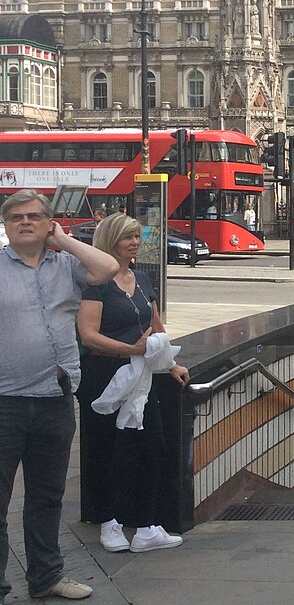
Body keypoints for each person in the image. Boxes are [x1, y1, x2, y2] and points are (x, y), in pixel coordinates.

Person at [0, 189, 119, 602]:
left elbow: (108, 267)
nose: (26, 222)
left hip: (56, 397)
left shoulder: (66, 265)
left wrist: (63, 239)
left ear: (49, 223)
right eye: (16, 217)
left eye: (35, 216)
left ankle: (46, 576)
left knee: (47, 496)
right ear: (6, 224)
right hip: (5, 401)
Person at [75, 213, 189, 556]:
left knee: (151, 448)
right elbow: (88, 335)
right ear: (112, 241)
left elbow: (156, 325)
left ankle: (145, 526)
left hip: (140, 377)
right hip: (104, 377)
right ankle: (109, 522)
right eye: (128, 237)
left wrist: (169, 364)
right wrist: (130, 350)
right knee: (107, 451)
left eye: (138, 236)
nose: (135, 243)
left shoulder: (142, 278)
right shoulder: (97, 283)